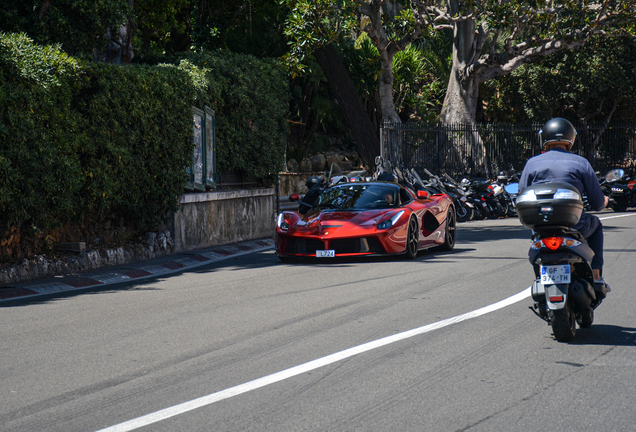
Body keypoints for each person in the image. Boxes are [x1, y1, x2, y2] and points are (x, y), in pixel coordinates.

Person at [519, 117, 611, 298]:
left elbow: (522, 193)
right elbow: (598, 203)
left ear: (544, 138)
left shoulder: (531, 163)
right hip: (574, 225)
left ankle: (541, 275)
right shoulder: (581, 163)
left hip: (541, 228)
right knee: (597, 224)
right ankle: (596, 274)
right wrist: (606, 201)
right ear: (571, 138)